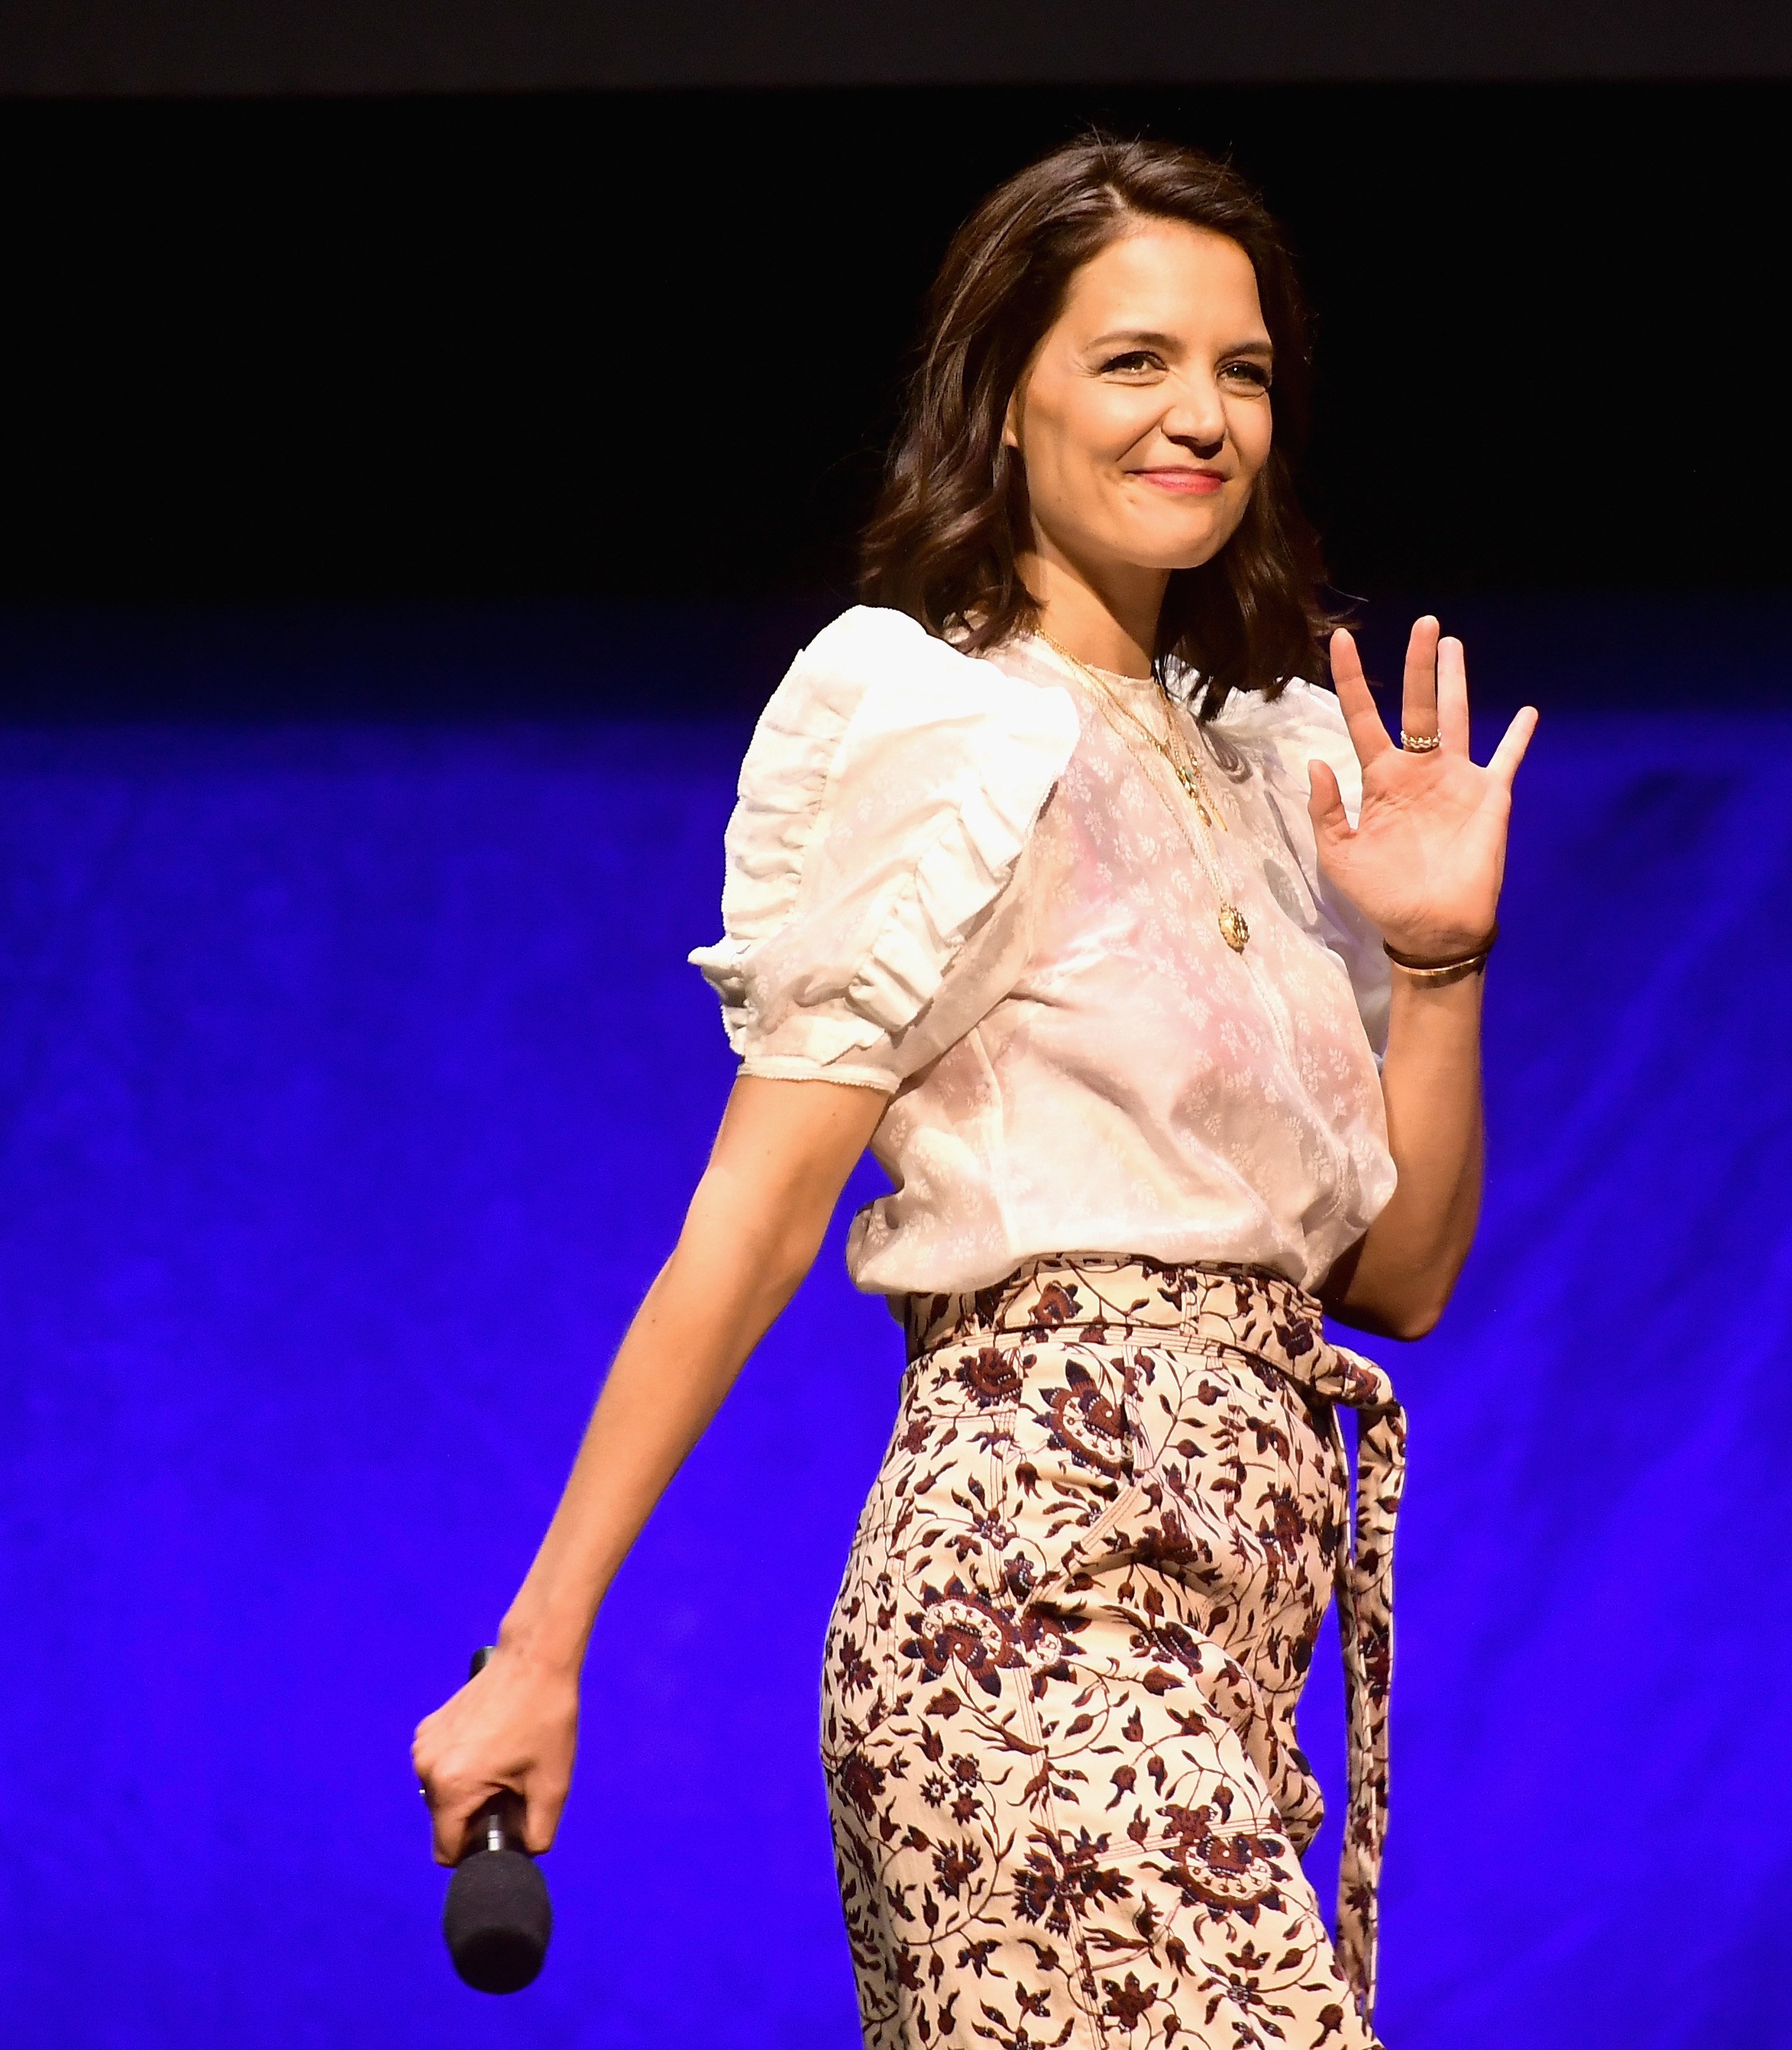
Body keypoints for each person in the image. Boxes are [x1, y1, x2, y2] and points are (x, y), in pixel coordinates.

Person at [412, 133, 1535, 2049]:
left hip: (1236, 1658)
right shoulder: (942, 721)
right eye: (1133, 362)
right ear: (1001, 398)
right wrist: (542, 1642)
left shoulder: (1257, 764)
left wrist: (1436, 963)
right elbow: (755, 1215)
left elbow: (1398, 1282)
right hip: (1031, 1619)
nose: (1202, 417)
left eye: (1242, 372)